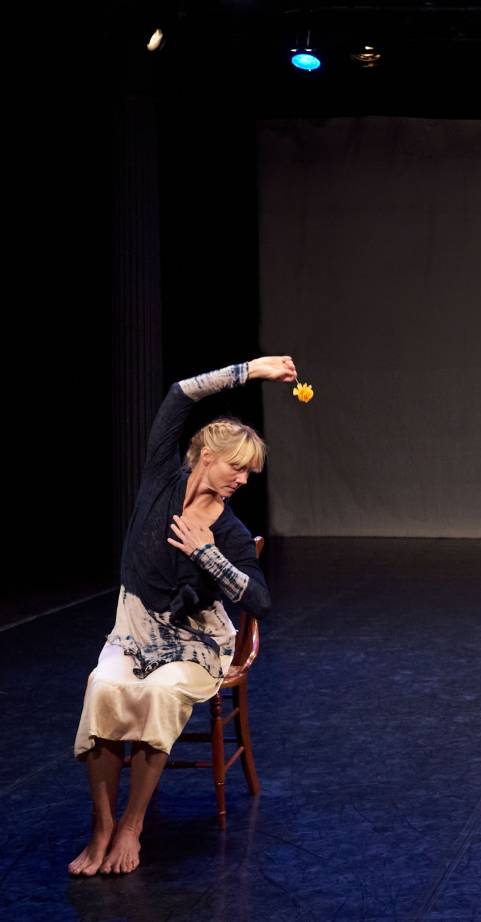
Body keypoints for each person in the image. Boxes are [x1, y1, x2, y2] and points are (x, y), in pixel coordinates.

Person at [68, 357, 296, 876]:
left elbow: (258, 601)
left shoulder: (231, 531)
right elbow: (179, 394)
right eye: (235, 467)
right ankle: (102, 826)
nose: (242, 479)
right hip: (134, 631)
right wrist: (252, 371)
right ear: (206, 456)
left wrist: (207, 555)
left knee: (160, 695)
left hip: (196, 645)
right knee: (102, 687)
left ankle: (132, 826)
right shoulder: (159, 482)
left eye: (248, 473)